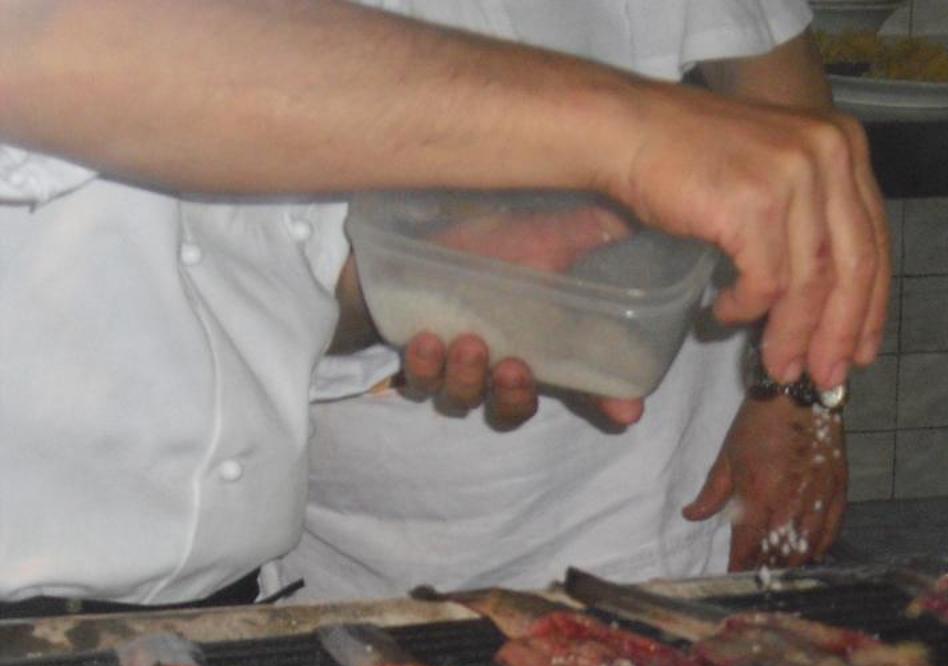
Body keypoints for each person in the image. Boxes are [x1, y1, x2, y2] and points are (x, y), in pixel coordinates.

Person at [0, 0, 888, 607]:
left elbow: (268, 281)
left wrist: (438, 281)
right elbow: (54, 41)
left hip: (232, 602)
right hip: (311, 561)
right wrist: (630, 133)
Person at [282, 0, 845, 601]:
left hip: (649, 501)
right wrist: (416, 295)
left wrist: (798, 395)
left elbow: (794, 135)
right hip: (349, 542)